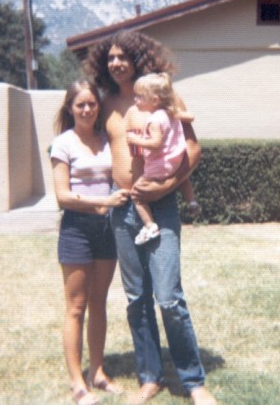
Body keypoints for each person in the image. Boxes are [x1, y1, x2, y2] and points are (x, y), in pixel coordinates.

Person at [85, 30, 217, 404]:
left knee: (169, 297)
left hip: (159, 206)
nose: (116, 63)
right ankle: (150, 376)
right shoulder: (106, 102)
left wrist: (165, 187)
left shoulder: (165, 98)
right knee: (136, 297)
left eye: (123, 56)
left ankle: (193, 382)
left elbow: (193, 149)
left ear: (139, 59)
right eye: (110, 57)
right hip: (123, 209)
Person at [50, 80, 129, 405]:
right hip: (77, 230)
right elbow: (62, 196)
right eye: (80, 104)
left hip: (106, 230)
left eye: (91, 104)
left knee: (99, 304)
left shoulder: (105, 141)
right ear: (70, 108)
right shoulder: (63, 143)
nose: (86, 109)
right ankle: (77, 383)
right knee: (76, 308)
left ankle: (97, 371)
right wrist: (104, 203)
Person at [125, 72, 199, 245]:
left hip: (159, 166)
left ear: (155, 100)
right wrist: (178, 113)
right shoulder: (170, 113)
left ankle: (150, 226)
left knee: (137, 195)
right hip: (176, 160)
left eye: (140, 97)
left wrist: (136, 140)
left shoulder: (154, 121)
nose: (135, 100)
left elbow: (155, 143)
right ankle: (192, 200)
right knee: (183, 179)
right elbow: (191, 117)